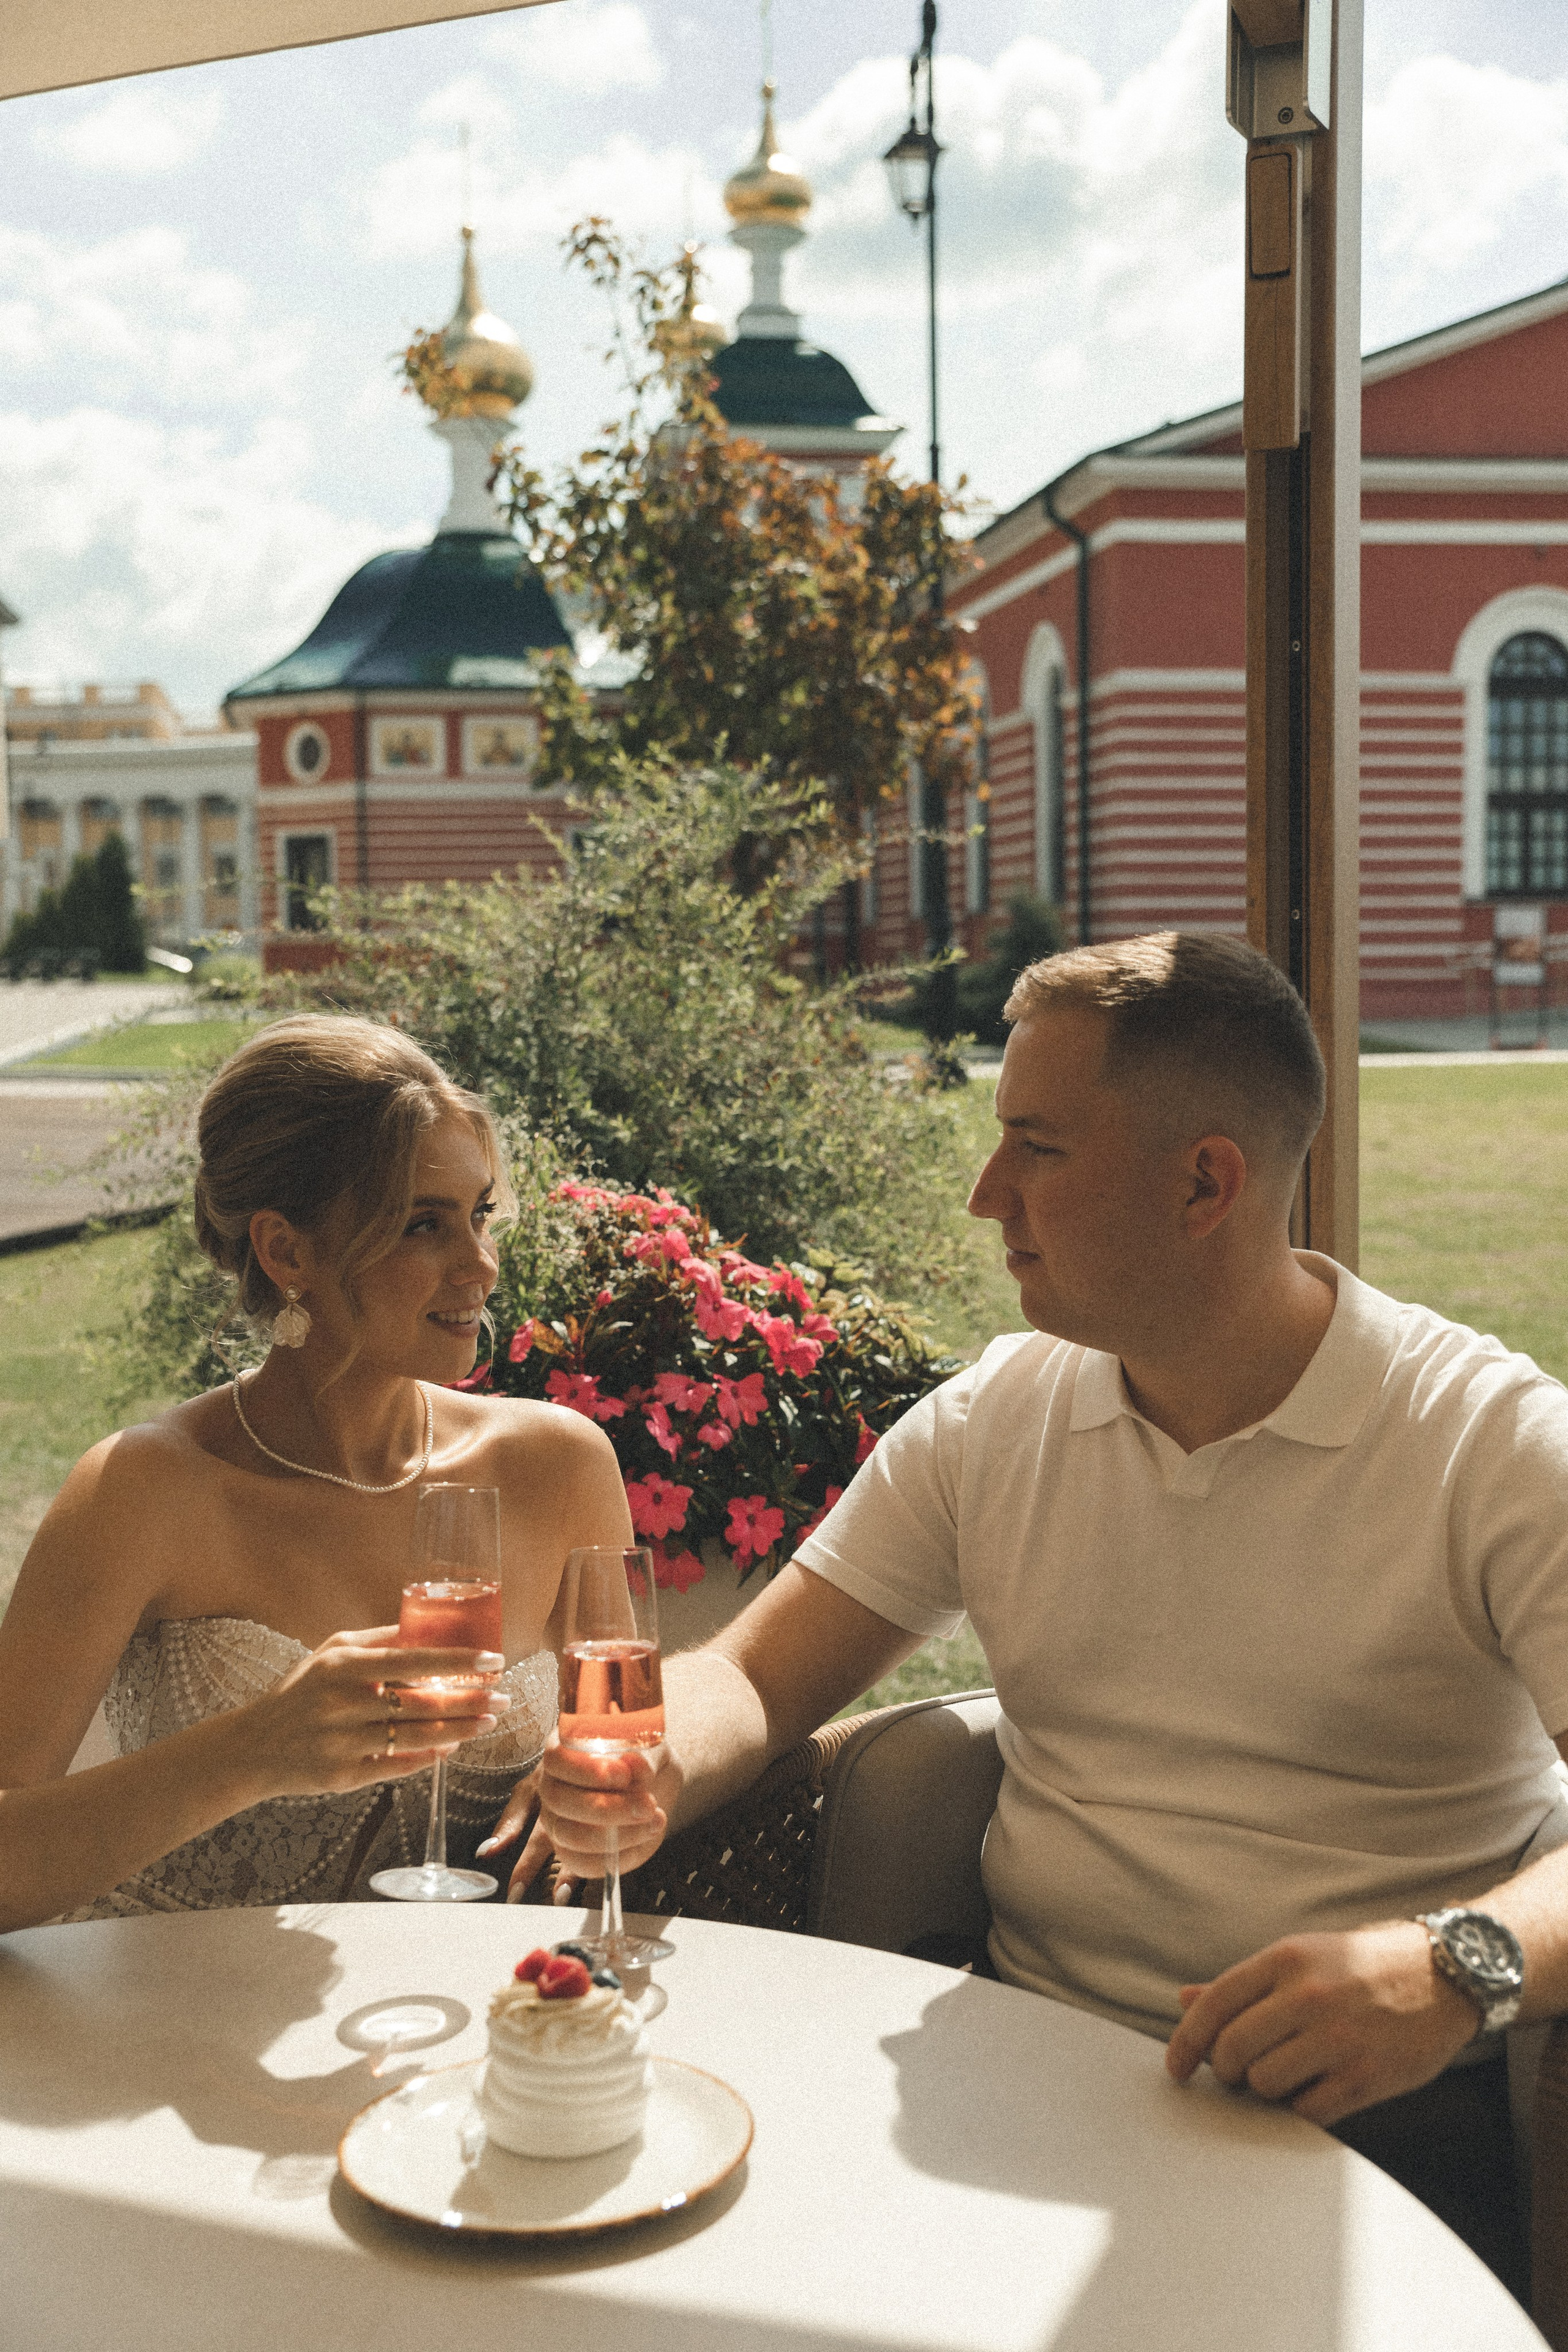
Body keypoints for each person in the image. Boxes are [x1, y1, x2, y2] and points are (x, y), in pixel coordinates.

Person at [517, 932, 1568, 2296]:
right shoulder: (996, 1416)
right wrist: (652, 1751)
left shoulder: (1489, 1446)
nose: (981, 1193)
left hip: (1370, 2132)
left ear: (1205, 1182)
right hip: (1015, 2076)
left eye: (1037, 1147)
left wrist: (1448, 1969)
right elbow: (761, 1680)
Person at [0, 1014, 630, 1929]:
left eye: (480, 1214)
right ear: (286, 1250)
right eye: (424, 1225)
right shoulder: (146, 1491)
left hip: (473, 2035)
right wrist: (252, 1750)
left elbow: (621, 1770)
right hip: (164, 2038)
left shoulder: (559, 1467)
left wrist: (625, 1807)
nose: (480, 1264)